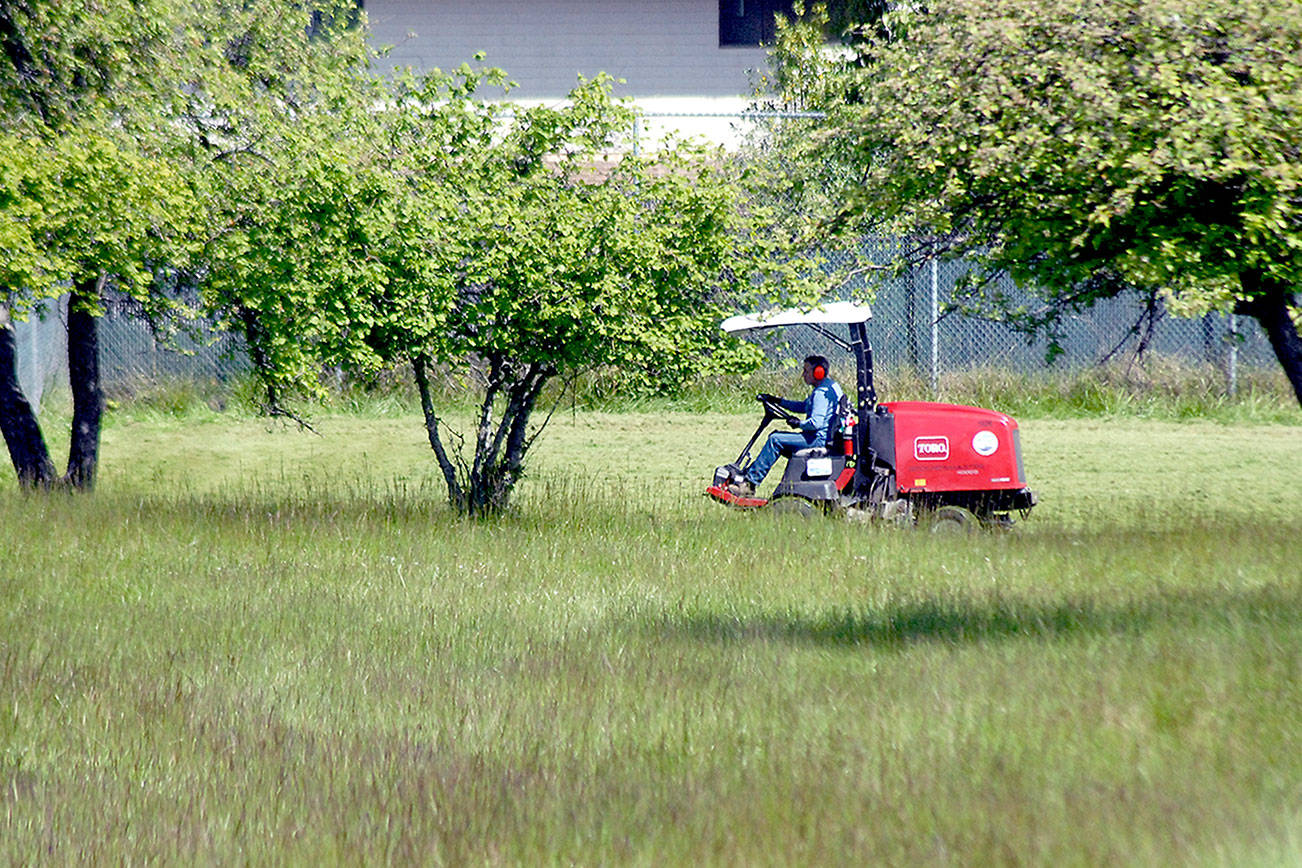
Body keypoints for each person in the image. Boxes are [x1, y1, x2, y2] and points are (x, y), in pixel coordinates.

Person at [729, 355, 845, 497]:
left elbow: (816, 423)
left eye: (806, 371)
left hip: (816, 440)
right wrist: (779, 401)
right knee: (778, 438)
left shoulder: (821, 394)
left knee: (775, 439)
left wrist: (799, 424)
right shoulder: (829, 386)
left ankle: (749, 484)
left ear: (818, 372)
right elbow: (804, 406)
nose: (803, 374)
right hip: (823, 438)